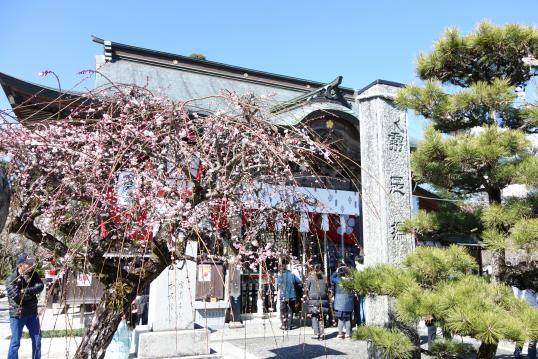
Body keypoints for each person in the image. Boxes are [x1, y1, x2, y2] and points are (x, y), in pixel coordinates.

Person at [6, 253, 44, 359]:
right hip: (18, 314)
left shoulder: (33, 274)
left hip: (32, 313)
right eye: (29, 263)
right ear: (20, 265)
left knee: (37, 340)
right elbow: (18, 297)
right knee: (15, 342)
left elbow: (40, 286)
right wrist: (32, 294)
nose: (32, 265)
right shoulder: (11, 279)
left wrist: (27, 291)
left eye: (32, 263)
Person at [512, 281, 537, 359]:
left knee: (521, 336)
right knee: (533, 338)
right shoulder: (530, 295)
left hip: (522, 317)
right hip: (533, 318)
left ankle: (517, 353)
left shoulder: (520, 292)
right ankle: (531, 356)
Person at [305, 264, 329, 340]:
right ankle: (322, 334)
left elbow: (306, 288)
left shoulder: (310, 277)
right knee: (321, 316)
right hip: (323, 298)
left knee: (314, 316)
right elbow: (327, 288)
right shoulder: (324, 277)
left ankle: (316, 333)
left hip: (313, 299)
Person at [277, 259, 301, 330]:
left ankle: (284, 325)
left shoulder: (280, 275)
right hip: (292, 295)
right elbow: (299, 282)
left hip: (283, 295)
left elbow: (279, 286)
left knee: (283, 310)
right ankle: (289, 325)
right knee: (290, 310)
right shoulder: (292, 274)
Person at [331, 266, 354, 339]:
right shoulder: (351, 280)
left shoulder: (338, 280)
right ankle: (348, 334)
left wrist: (336, 271)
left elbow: (331, 278)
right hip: (348, 302)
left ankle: (340, 333)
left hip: (339, 303)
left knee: (340, 319)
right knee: (347, 319)